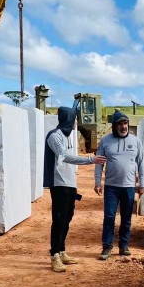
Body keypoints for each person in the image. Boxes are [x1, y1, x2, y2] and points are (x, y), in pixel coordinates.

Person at [44, 106, 106, 273]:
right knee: (59, 219)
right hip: (59, 183)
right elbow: (64, 156)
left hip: (70, 183)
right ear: (68, 118)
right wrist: (91, 160)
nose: (76, 122)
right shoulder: (54, 136)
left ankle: (61, 250)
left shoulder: (68, 136)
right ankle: (54, 255)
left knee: (67, 218)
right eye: (74, 118)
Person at [95, 111, 144, 260]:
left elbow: (141, 163)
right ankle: (107, 247)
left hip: (129, 187)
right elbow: (99, 163)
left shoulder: (135, 141)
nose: (123, 127)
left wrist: (142, 184)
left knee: (126, 217)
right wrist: (97, 182)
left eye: (125, 123)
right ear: (114, 125)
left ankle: (124, 245)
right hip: (111, 187)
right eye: (120, 124)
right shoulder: (106, 141)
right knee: (109, 216)